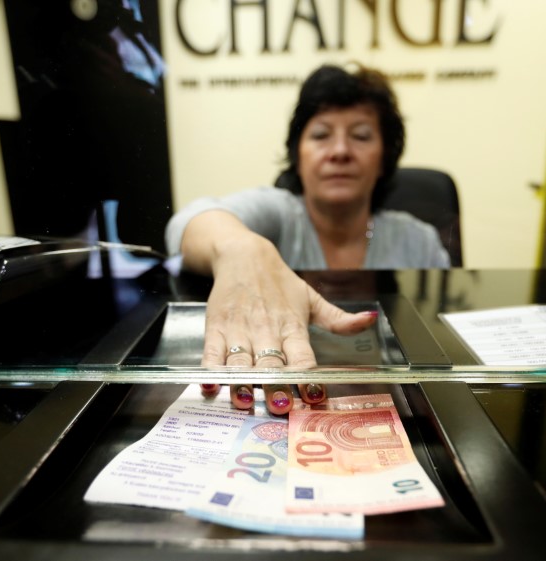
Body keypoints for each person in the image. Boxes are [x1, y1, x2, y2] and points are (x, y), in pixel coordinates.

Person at [165, 63, 450, 414]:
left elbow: (441, 346)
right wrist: (244, 250)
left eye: (361, 136)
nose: (340, 151)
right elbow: (186, 222)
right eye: (320, 135)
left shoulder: (418, 239)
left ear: (384, 160)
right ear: (297, 157)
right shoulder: (279, 212)